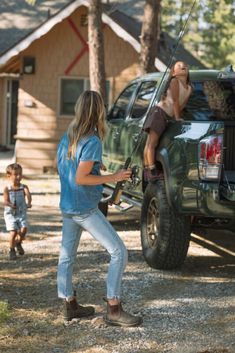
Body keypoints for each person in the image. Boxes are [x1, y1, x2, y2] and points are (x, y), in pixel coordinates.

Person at [57, 90, 142, 327]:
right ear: (98, 111)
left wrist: (98, 174)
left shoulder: (69, 135)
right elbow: (80, 178)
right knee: (118, 251)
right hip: (83, 209)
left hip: (68, 206)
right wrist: (115, 176)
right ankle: (114, 308)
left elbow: (69, 172)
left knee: (67, 257)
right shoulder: (92, 140)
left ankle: (70, 304)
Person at [143, 61, 192, 181]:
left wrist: (177, 116)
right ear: (174, 73)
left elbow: (181, 105)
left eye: (185, 65)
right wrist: (177, 118)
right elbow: (175, 101)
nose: (183, 66)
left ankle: (147, 171)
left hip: (167, 116)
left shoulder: (190, 88)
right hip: (159, 113)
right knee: (151, 143)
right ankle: (151, 170)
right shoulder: (174, 81)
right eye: (179, 66)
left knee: (153, 143)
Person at [3, 163, 32, 260]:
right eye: (16, 174)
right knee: (13, 232)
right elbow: (6, 201)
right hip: (11, 213)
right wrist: (11, 205)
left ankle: (18, 243)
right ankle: (12, 250)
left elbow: (28, 195)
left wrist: (29, 202)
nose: (19, 177)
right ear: (9, 176)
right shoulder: (7, 188)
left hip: (21, 212)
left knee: (24, 229)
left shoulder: (23, 187)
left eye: (20, 174)